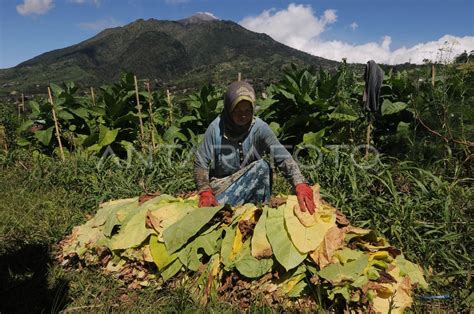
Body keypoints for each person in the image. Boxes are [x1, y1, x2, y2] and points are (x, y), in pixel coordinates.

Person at [193, 81, 317, 214]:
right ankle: (225, 211)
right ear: (229, 109)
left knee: (263, 167)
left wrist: (300, 183)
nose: (243, 115)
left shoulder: (259, 128)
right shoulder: (215, 129)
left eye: (248, 110)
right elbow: (201, 162)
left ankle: (256, 212)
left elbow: (282, 156)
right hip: (222, 186)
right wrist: (205, 191)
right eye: (237, 111)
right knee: (218, 211)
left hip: (250, 182)